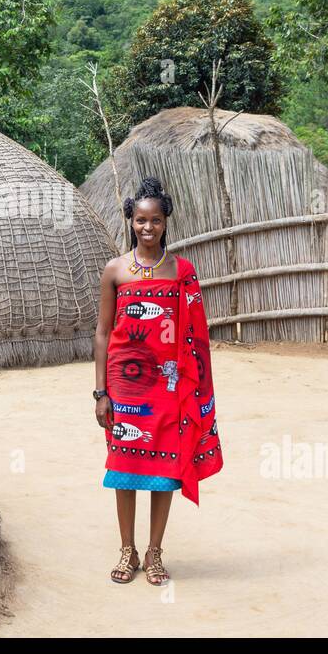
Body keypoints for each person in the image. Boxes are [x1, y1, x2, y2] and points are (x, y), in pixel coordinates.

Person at [93, 176, 222, 585]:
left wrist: (193, 388)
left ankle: (154, 553)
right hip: (124, 387)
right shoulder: (115, 271)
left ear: (166, 222)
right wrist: (101, 393)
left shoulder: (182, 272)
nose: (148, 228)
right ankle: (127, 550)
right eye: (140, 220)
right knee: (124, 469)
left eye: (156, 221)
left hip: (168, 388)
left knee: (165, 471)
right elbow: (102, 332)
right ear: (130, 220)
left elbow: (197, 336)